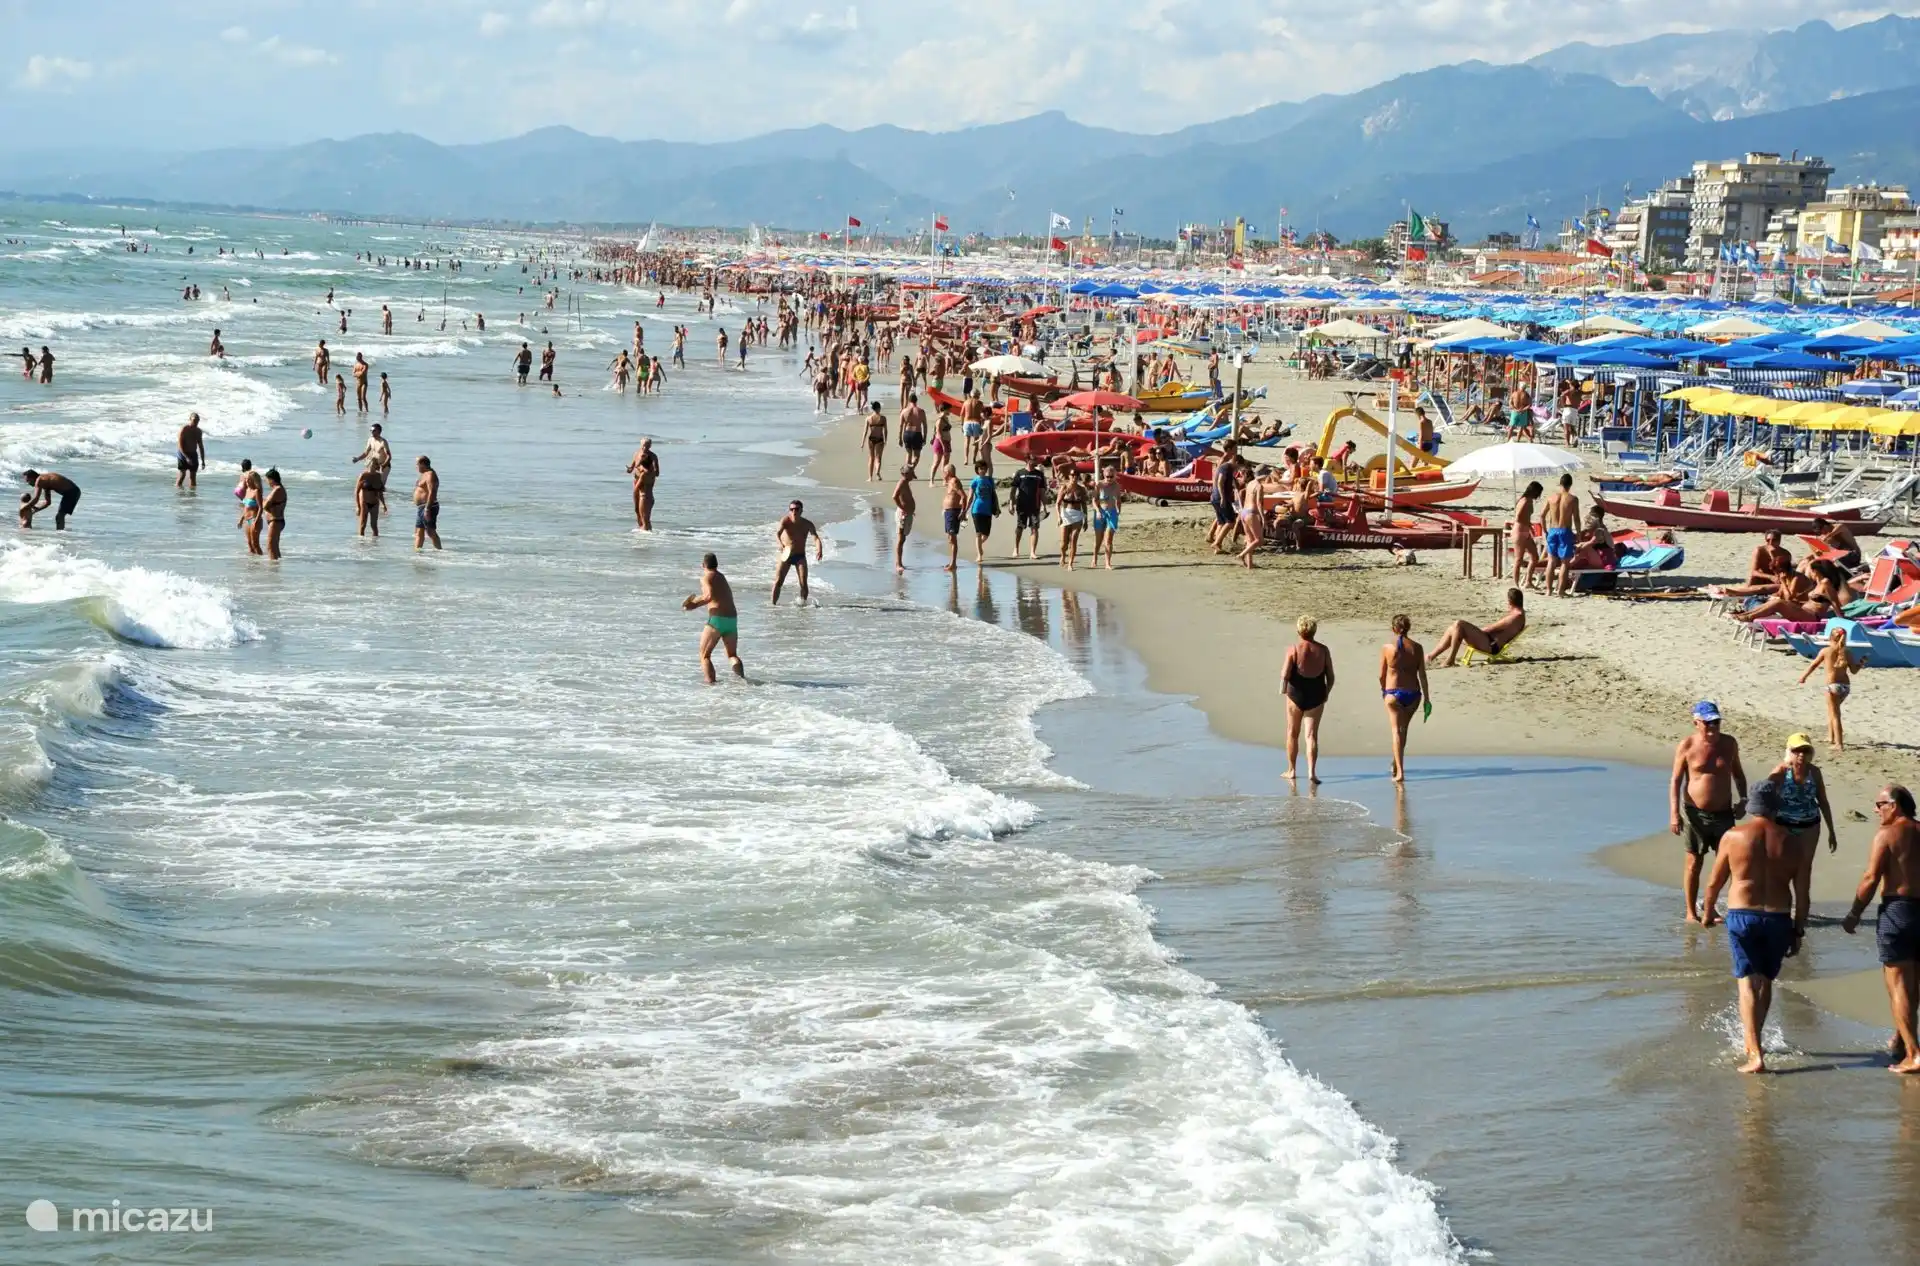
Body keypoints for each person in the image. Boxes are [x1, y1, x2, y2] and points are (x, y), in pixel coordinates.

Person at [1701, 781, 1808, 1073]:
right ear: (1775, 808)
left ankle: (1755, 1053)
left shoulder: (1734, 836)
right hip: (1778, 916)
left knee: (1747, 981)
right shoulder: (1792, 842)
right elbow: (1802, 893)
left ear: (1751, 808)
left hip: (1742, 915)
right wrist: (1798, 930)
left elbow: (1714, 882)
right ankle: (1755, 1041)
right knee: (1766, 981)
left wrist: (1708, 912)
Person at [1841, 785, 1920, 1072]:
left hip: (1898, 909)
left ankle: (1914, 1053)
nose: (1876, 810)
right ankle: (1902, 1038)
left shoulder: (1886, 834)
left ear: (1895, 805)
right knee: (1914, 983)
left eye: (1880, 804)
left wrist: (1853, 914)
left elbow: (1871, 877)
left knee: (1898, 983)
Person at [1669, 701, 1748, 923]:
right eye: (1707, 723)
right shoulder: (1687, 745)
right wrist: (1674, 813)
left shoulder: (1729, 744)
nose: (1713, 727)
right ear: (1696, 723)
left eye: (1716, 722)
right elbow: (1675, 781)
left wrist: (1743, 800)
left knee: (1730, 864)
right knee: (1694, 863)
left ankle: (1712, 906)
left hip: (1724, 813)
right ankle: (1691, 912)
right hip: (1695, 814)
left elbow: (1739, 775)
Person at [1768, 734, 1836, 908]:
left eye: (1805, 751)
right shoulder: (1780, 772)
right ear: (1789, 752)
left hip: (1810, 826)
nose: (1801, 755)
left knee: (1804, 869)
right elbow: (1765, 799)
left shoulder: (1815, 772)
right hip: (1783, 825)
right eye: (1796, 750)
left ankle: (1801, 911)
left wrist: (1832, 832)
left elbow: (1823, 801)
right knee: (1781, 868)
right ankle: (1782, 907)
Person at [1281, 614, 1334, 784]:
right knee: (1311, 736)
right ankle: (1312, 772)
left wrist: (1283, 692)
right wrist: (1326, 692)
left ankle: (1292, 770)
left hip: (1296, 694)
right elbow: (1331, 677)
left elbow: (1284, 675)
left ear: (1298, 630)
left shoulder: (1293, 649)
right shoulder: (1323, 650)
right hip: (1316, 694)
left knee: (1292, 732)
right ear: (1314, 631)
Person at [1378, 614, 1428, 783]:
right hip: (1413, 694)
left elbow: (1381, 675)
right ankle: (1395, 763)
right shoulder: (1418, 647)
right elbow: (1422, 675)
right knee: (1403, 730)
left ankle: (1400, 772)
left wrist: (1383, 691)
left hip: (1393, 693)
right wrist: (1427, 697)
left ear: (1393, 628)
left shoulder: (1387, 647)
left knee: (1395, 731)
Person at [681, 553, 744, 684]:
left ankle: (710, 686)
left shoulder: (705, 577)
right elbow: (713, 595)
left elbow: (708, 596)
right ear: (717, 565)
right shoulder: (721, 576)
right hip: (732, 619)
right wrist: (695, 601)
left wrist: (694, 605)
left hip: (717, 620)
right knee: (732, 655)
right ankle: (742, 681)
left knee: (704, 656)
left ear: (703, 565)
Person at [1799, 625, 1864, 750]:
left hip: (1832, 685)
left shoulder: (1826, 651)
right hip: (1845, 686)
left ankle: (1839, 744)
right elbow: (1854, 670)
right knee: (1832, 710)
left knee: (1835, 714)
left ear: (1830, 637)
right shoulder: (1847, 652)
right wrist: (1861, 663)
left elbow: (1813, 665)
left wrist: (1803, 677)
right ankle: (1831, 737)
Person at [1428, 588, 1527, 667]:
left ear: (1510, 601)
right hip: (1490, 642)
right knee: (1454, 628)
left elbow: (1490, 629)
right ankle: (1431, 656)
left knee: (1459, 625)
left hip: (1491, 645)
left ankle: (1450, 659)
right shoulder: (1519, 615)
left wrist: (1475, 632)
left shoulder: (1514, 617)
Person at [771, 500, 822, 604]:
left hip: (800, 556)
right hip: (786, 555)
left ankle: (802, 606)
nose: (794, 511)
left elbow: (815, 537)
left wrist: (819, 549)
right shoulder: (785, 521)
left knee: (803, 584)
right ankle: (773, 606)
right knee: (778, 581)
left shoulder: (807, 524)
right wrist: (780, 544)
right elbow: (777, 534)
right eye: (791, 509)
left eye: (796, 509)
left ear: (801, 510)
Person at [1540, 473, 1578, 596]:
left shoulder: (1551, 498)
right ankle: (1561, 591)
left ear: (1560, 484)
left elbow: (1541, 515)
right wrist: (1580, 534)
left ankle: (1548, 590)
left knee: (1551, 561)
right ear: (1570, 485)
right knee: (1565, 563)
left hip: (1552, 530)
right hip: (1565, 531)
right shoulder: (1572, 499)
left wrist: (1545, 530)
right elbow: (1576, 519)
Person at [351, 423, 392, 512]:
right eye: (371, 430)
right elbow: (366, 453)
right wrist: (357, 459)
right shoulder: (370, 440)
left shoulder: (383, 442)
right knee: (368, 483)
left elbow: (389, 456)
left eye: (374, 431)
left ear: (379, 431)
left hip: (384, 466)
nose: (372, 432)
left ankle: (381, 505)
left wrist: (383, 465)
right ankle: (369, 501)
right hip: (373, 465)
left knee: (379, 486)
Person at [1511, 481, 1543, 591]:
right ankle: (1516, 584)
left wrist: (1530, 528)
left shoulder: (1529, 500)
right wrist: (1527, 524)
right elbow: (1518, 517)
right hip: (1519, 531)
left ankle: (1528, 581)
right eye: (1538, 493)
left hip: (1525, 531)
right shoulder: (1524, 500)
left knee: (1534, 557)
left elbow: (1526, 517)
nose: (1538, 496)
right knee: (1518, 559)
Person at [967, 461, 999, 565]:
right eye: (981, 468)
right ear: (977, 470)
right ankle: (979, 554)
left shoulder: (990, 480)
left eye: (984, 468)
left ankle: (978, 545)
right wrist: (965, 509)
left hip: (988, 510)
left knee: (986, 534)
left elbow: (994, 495)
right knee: (978, 533)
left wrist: (997, 508)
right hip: (977, 509)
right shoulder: (975, 481)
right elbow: (970, 497)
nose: (983, 470)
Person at [1056, 468, 1089, 570]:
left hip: (1077, 515)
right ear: (1069, 476)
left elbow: (1084, 504)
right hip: (1065, 514)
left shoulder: (1081, 489)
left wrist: (1085, 519)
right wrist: (1059, 517)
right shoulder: (1064, 487)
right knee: (1063, 543)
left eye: (1076, 475)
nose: (1074, 477)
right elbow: (1057, 503)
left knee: (1073, 540)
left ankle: (1070, 563)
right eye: (1072, 475)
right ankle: (1063, 555)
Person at [1091, 463, 1120, 570]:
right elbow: (1093, 501)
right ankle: (1094, 558)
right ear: (1104, 475)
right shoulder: (1099, 485)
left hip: (1111, 513)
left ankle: (1108, 563)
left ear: (1115, 475)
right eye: (1107, 476)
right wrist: (1098, 511)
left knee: (1108, 540)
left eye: (1111, 477)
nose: (1109, 479)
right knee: (1098, 539)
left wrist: (1118, 511)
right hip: (1100, 512)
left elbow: (1118, 500)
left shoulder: (1117, 486)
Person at [627, 438, 659, 530]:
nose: (645, 447)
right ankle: (642, 534)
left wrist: (649, 470)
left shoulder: (653, 456)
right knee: (637, 511)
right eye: (644, 445)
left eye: (648, 446)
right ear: (640, 445)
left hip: (646, 485)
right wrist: (630, 469)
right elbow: (633, 466)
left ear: (650, 446)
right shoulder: (636, 454)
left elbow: (657, 473)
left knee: (645, 515)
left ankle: (647, 532)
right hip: (637, 482)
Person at [891, 465, 916, 573]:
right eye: (910, 473)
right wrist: (903, 508)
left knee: (903, 538)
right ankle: (898, 564)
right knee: (901, 539)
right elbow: (894, 496)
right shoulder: (901, 482)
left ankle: (899, 562)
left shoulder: (906, 482)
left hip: (908, 513)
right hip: (903, 514)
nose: (912, 476)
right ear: (905, 474)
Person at [412, 456, 441, 551]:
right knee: (419, 531)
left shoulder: (430, 475)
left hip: (429, 507)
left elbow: (432, 492)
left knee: (430, 531)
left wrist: (427, 509)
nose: (416, 467)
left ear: (423, 464)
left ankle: (439, 551)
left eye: (417, 464)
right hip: (421, 507)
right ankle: (417, 552)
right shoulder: (424, 474)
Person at [939, 468, 964, 572]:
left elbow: (963, 496)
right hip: (949, 512)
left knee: (952, 539)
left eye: (944, 472)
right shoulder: (950, 482)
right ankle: (952, 562)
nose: (942, 474)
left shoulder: (954, 481)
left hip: (953, 512)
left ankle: (953, 563)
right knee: (950, 538)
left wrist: (963, 511)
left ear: (948, 472)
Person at [260, 468, 286, 560]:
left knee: (270, 547)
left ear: (271, 479)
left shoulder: (277, 490)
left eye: (267, 480)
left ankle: (272, 570)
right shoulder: (278, 489)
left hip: (275, 520)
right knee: (275, 547)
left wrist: (261, 500)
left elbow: (265, 506)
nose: (267, 482)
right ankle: (277, 568)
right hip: (277, 520)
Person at [176, 411, 207, 490]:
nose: (195, 422)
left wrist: (203, 461)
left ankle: (192, 497)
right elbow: (180, 445)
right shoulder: (184, 429)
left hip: (193, 454)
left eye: (197, 421)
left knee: (193, 477)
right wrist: (186, 457)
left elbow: (200, 446)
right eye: (194, 420)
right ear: (190, 419)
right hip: (182, 454)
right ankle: (178, 493)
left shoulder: (198, 431)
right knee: (182, 475)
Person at [354, 465, 382, 537]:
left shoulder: (378, 475)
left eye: (374, 465)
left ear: (376, 466)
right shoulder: (363, 475)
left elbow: (380, 492)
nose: (371, 468)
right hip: (365, 502)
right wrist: (358, 506)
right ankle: (361, 544)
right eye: (370, 465)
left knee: (374, 526)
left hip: (375, 503)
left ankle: (375, 546)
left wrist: (384, 505)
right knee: (363, 525)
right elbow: (356, 492)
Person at [863, 403, 889, 481]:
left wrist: (862, 442)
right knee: (878, 458)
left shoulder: (868, 418)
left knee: (871, 458)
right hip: (880, 439)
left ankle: (870, 477)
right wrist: (885, 439)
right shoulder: (883, 418)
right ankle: (877, 472)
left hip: (871, 439)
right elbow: (885, 430)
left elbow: (865, 431)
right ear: (878, 408)